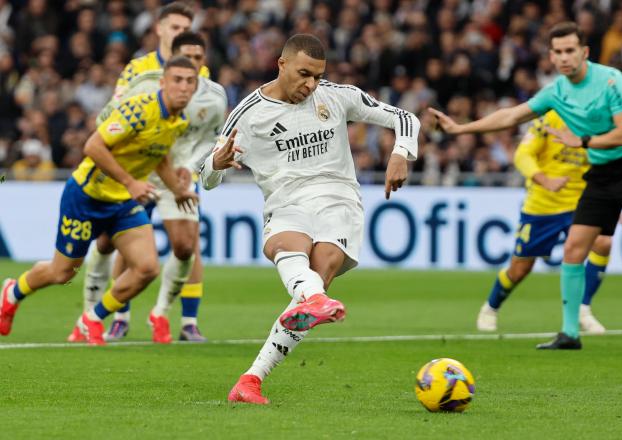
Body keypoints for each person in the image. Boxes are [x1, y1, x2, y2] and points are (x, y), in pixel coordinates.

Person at [201, 34, 420, 403]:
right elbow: (207, 177)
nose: (311, 84)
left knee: (320, 270)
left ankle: (265, 360)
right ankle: (254, 376)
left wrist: (402, 151)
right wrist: (215, 165)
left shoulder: (335, 96)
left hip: (338, 199)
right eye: (304, 74)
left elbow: (404, 117)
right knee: (289, 247)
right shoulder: (248, 114)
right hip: (286, 201)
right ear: (281, 64)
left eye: (317, 76)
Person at [430, 21, 622, 350]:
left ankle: (578, 318)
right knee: (574, 249)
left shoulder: (611, 79)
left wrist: (581, 140)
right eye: (559, 52)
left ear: (585, 52)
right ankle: (570, 333)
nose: (565, 57)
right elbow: (510, 116)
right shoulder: (557, 92)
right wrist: (461, 129)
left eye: (571, 50)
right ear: (551, 57)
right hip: (600, 175)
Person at [0, 56, 199, 345]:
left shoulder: (179, 120)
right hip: (86, 196)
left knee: (147, 269)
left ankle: (91, 318)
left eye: (189, 81)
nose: (183, 87)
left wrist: (178, 190)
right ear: (163, 82)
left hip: (122, 204)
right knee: (61, 272)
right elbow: (92, 145)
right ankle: (13, 292)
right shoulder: (139, 110)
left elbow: (158, 156)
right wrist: (130, 182)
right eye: (177, 79)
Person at [69, 32, 227, 344]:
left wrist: (192, 165)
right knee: (109, 244)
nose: (192, 64)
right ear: (171, 58)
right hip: (139, 172)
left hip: (176, 177)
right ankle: (113, 315)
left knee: (185, 246)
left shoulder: (214, 97)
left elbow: (211, 138)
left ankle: (161, 313)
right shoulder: (143, 85)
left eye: (198, 58)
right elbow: (106, 119)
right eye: (186, 57)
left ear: (204, 61)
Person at [476, 110, 612, 334]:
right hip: (543, 205)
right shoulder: (550, 118)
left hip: (581, 203)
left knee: (603, 242)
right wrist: (544, 180)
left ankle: (582, 309)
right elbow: (522, 155)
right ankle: (491, 307)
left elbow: (605, 163)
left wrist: (610, 199)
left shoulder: (599, 120)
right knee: (520, 268)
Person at [112, 2, 209, 102]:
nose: (181, 33)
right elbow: (115, 107)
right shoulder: (136, 69)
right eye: (175, 28)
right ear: (159, 29)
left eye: (186, 29)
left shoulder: (201, 71)